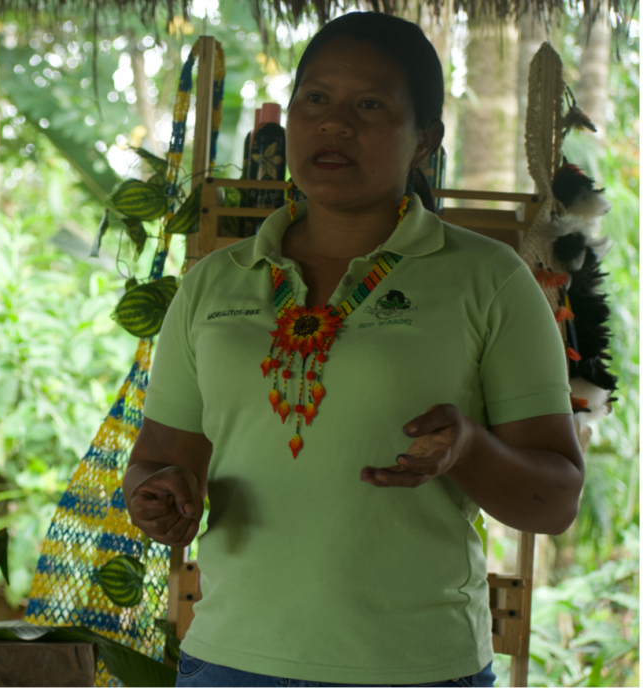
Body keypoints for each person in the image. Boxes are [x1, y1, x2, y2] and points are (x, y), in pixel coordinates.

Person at [122, 12, 585, 689]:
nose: (335, 123)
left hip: (419, 668)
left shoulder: (489, 278)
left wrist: (470, 450)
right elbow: (159, 463)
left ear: (425, 139)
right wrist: (157, 496)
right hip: (230, 661)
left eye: (370, 104)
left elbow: (557, 500)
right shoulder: (214, 282)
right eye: (317, 99)